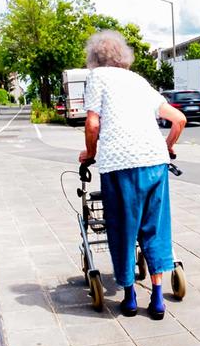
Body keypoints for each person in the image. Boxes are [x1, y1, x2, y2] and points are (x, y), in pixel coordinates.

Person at [77, 29, 186, 319]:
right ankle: (159, 298)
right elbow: (178, 120)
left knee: (123, 228)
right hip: (154, 163)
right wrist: (167, 147)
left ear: (95, 58)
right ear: (123, 56)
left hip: (119, 165)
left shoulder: (97, 77)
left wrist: (90, 153)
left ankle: (129, 296)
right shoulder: (140, 81)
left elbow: (92, 125)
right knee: (155, 227)